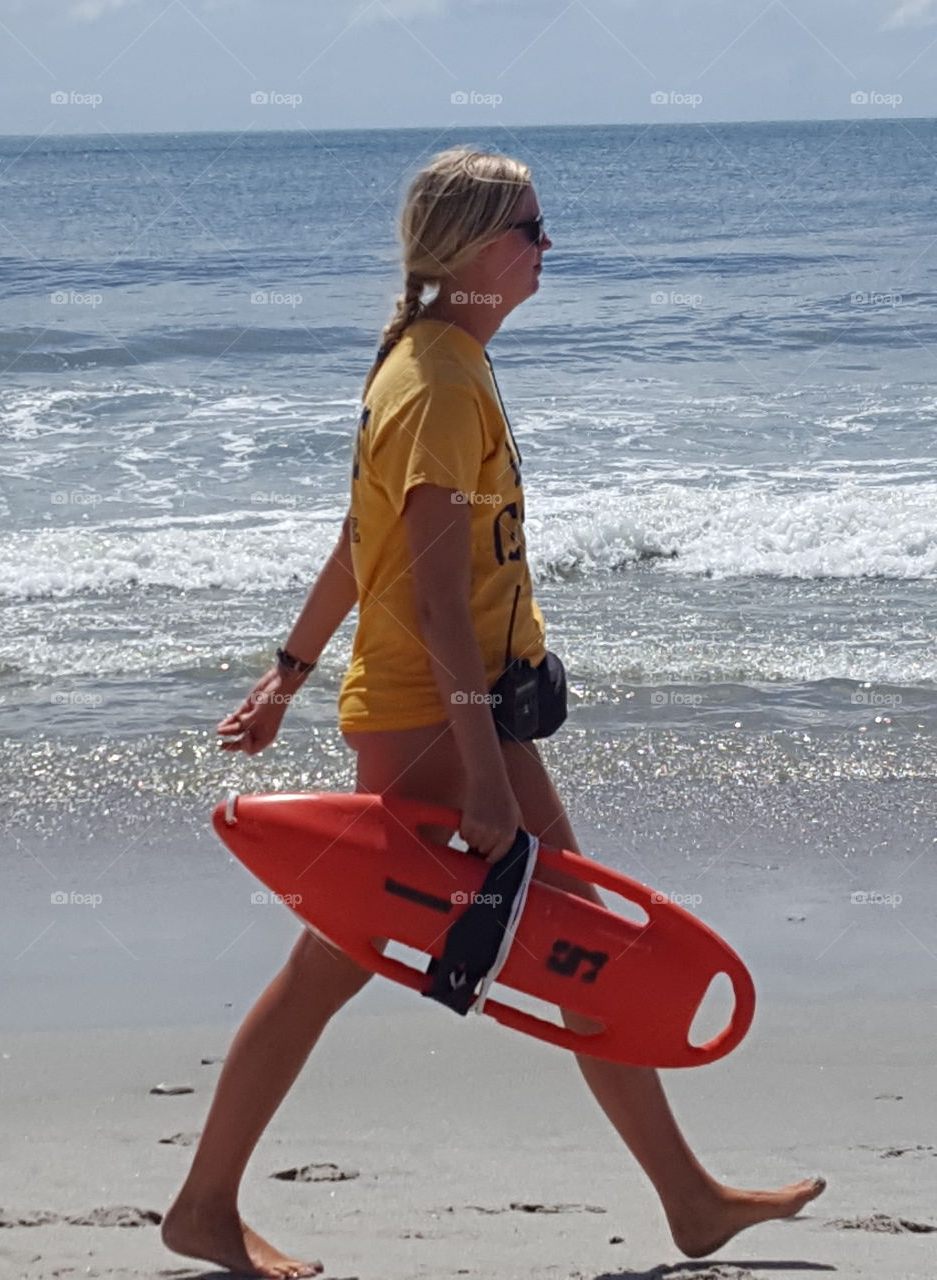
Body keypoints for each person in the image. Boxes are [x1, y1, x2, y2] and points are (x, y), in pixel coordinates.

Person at [162, 146, 825, 1278]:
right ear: (471, 247)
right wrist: (476, 765)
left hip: (443, 716)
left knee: (560, 946)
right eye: (528, 225)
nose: (545, 246)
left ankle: (688, 1195)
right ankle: (207, 1203)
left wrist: (290, 666)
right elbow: (423, 584)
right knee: (497, 948)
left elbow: (359, 542)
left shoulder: (436, 361)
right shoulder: (440, 377)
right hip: (435, 725)